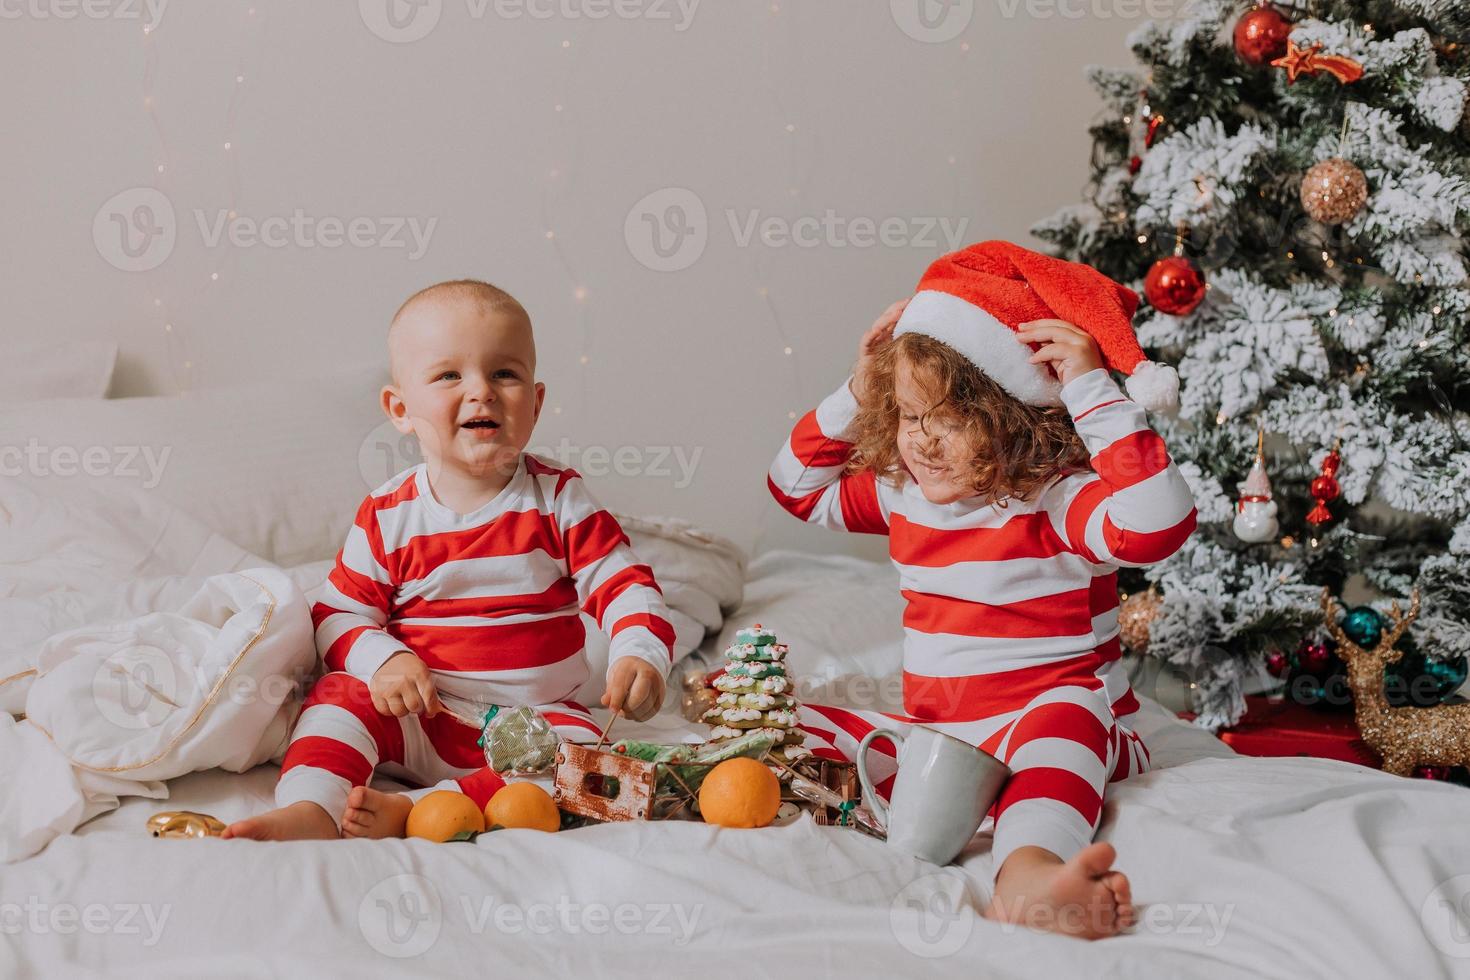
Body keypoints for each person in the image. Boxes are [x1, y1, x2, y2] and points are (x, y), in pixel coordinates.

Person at [767, 241, 1196, 939]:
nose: (925, 444)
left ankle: (1029, 873)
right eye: (910, 417)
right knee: (869, 783)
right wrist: (854, 388)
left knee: (1068, 731)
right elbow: (793, 488)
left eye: (954, 421)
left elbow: (1160, 524)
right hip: (947, 722)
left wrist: (1092, 392)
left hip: (1047, 707)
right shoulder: (907, 496)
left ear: (1017, 418)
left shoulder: (1054, 501)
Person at [225, 280, 674, 841]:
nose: (481, 392)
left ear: (535, 404)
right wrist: (382, 661)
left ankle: (422, 811)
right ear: (401, 409)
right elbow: (338, 613)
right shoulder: (389, 514)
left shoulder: (559, 500)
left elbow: (625, 582)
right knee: (338, 699)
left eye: (504, 374)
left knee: (580, 763)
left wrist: (640, 653)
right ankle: (312, 807)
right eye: (448, 376)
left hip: (533, 719)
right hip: (418, 715)